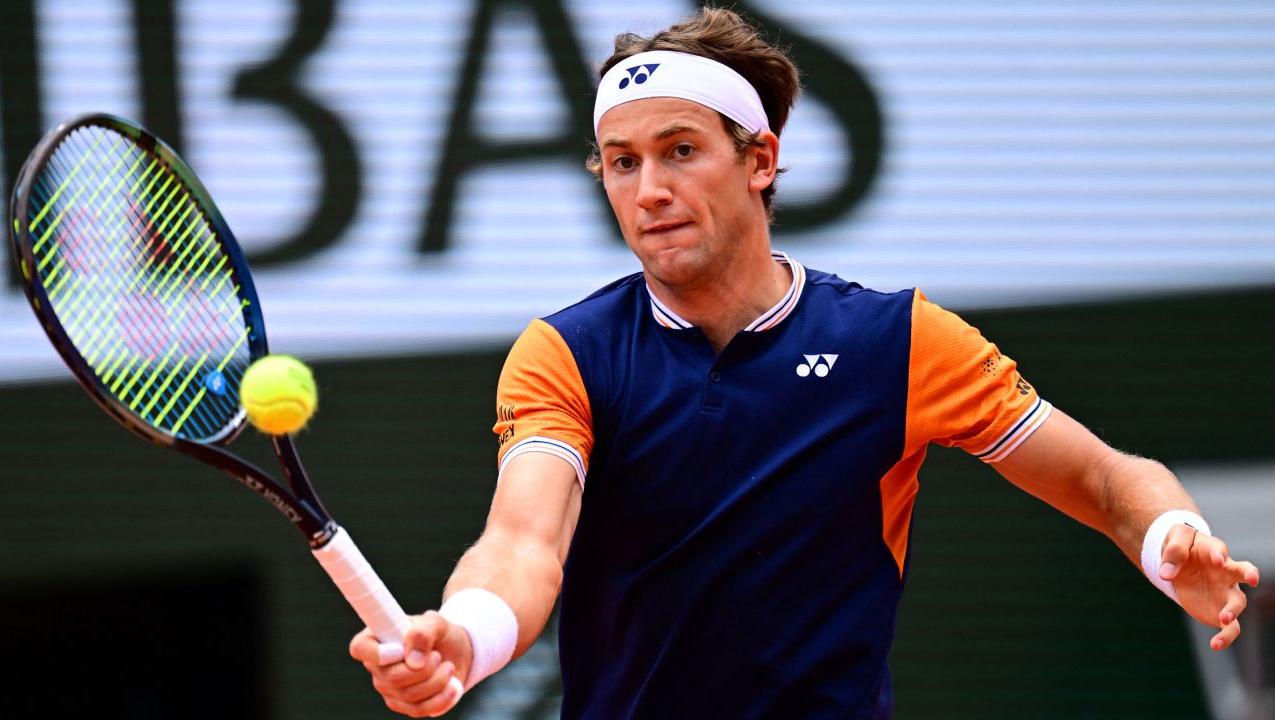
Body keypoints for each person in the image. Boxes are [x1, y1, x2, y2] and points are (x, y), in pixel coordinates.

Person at [348, 7, 1261, 718]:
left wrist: (1165, 536)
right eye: (621, 163)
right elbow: (522, 545)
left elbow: (1105, 479)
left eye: (680, 152)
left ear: (761, 160)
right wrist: (464, 637)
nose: (649, 190)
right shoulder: (567, 356)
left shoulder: (896, 343)